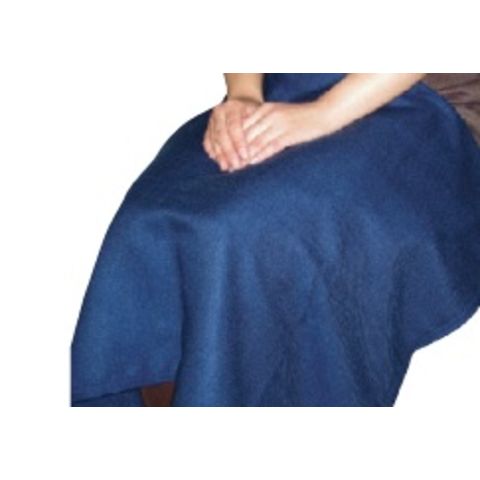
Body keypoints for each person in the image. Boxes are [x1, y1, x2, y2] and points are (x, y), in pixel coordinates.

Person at [71, 73, 480, 407]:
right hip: (287, 91)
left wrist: (321, 115)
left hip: (419, 102)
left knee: (247, 233)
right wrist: (244, 95)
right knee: (152, 220)